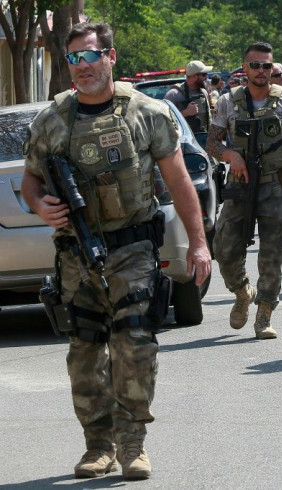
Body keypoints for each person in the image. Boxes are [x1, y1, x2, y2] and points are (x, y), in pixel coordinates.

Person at [21, 21, 211, 480]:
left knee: (134, 344)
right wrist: (39, 204)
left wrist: (199, 242)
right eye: (73, 59)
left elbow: (178, 180)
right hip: (75, 256)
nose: (82, 67)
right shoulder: (51, 120)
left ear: (110, 57)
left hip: (132, 247)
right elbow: (29, 181)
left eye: (90, 56)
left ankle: (132, 443)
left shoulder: (148, 111)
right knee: (84, 354)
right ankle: (97, 445)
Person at [205, 42, 282, 338]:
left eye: (267, 66)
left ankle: (264, 314)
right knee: (224, 251)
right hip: (239, 187)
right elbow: (212, 143)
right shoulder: (228, 102)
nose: (262, 71)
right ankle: (242, 292)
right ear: (245, 69)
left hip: (274, 186)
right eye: (255, 65)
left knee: (272, 255)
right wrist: (231, 155)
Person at [163, 60, 213, 135]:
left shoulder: (204, 92)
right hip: (183, 142)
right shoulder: (174, 94)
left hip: (204, 140)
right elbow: (164, 120)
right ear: (194, 76)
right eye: (204, 75)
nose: (206, 77)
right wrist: (186, 113)